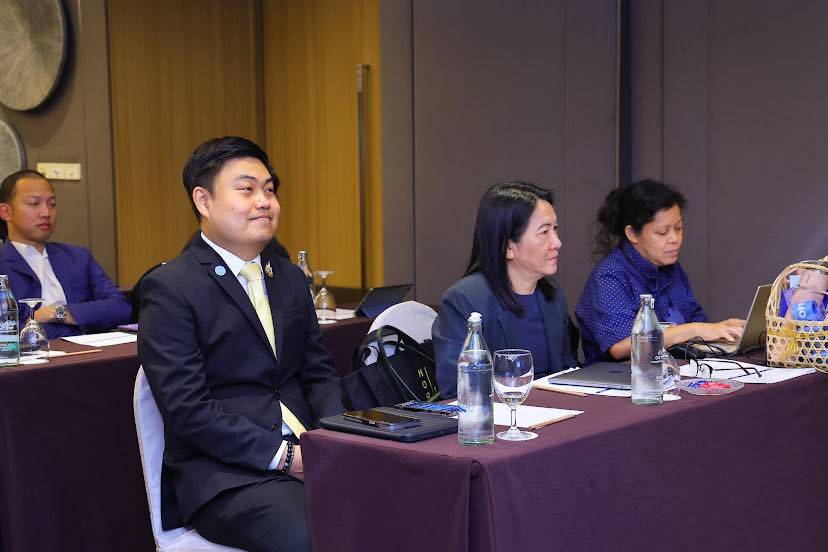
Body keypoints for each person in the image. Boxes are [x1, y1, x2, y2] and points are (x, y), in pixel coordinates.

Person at [137, 136, 344, 552]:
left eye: (269, 190)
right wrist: (285, 457)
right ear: (203, 200)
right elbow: (187, 408)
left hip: (310, 453)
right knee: (320, 531)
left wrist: (336, 441)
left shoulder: (288, 277)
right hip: (227, 476)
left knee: (401, 500)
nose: (264, 202)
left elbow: (319, 374)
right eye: (247, 189)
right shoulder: (170, 288)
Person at [432, 181, 577, 398]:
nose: (557, 242)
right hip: (500, 414)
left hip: (557, 411)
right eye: (544, 232)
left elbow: (566, 369)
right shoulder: (464, 300)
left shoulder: (552, 295)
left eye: (555, 229)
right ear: (508, 246)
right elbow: (457, 389)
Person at [575, 179, 744, 365]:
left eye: (678, 228)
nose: (674, 239)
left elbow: (695, 318)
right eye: (662, 232)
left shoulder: (671, 268)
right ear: (632, 234)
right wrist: (695, 329)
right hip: (622, 378)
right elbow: (620, 346)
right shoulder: (609, 276)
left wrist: (721, 329)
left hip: (675, 371)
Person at [0, 170, 131, 338]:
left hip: (91, 350)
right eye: (34, 203)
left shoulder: (78, 257)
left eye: (52, 204)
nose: (46, 213)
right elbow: (7, 334)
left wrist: (57, 312)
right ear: (6, 212)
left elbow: (121, 308)